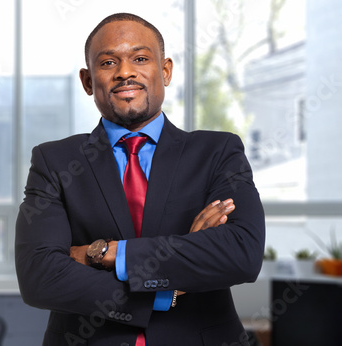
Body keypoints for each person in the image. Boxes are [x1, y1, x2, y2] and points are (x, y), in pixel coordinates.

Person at [15, 12, 265, 346]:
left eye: (141, 58)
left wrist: (101, 253)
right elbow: (39, 277)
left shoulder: (217, 152)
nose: (125, 72)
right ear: (88, 81)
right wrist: (170, 285)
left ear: (165, 71)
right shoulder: (55, 161)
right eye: (107, 63)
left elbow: (241, 253)